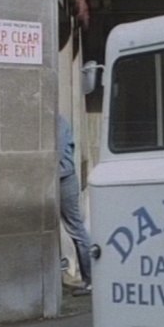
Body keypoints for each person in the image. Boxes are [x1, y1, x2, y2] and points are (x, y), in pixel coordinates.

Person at [57, 113, 92, 297]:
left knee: (75, 229)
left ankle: (91, 279)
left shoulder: (58, 121)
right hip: (59, 178)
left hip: (64, 179)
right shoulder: (53, 120)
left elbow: (58, 152)